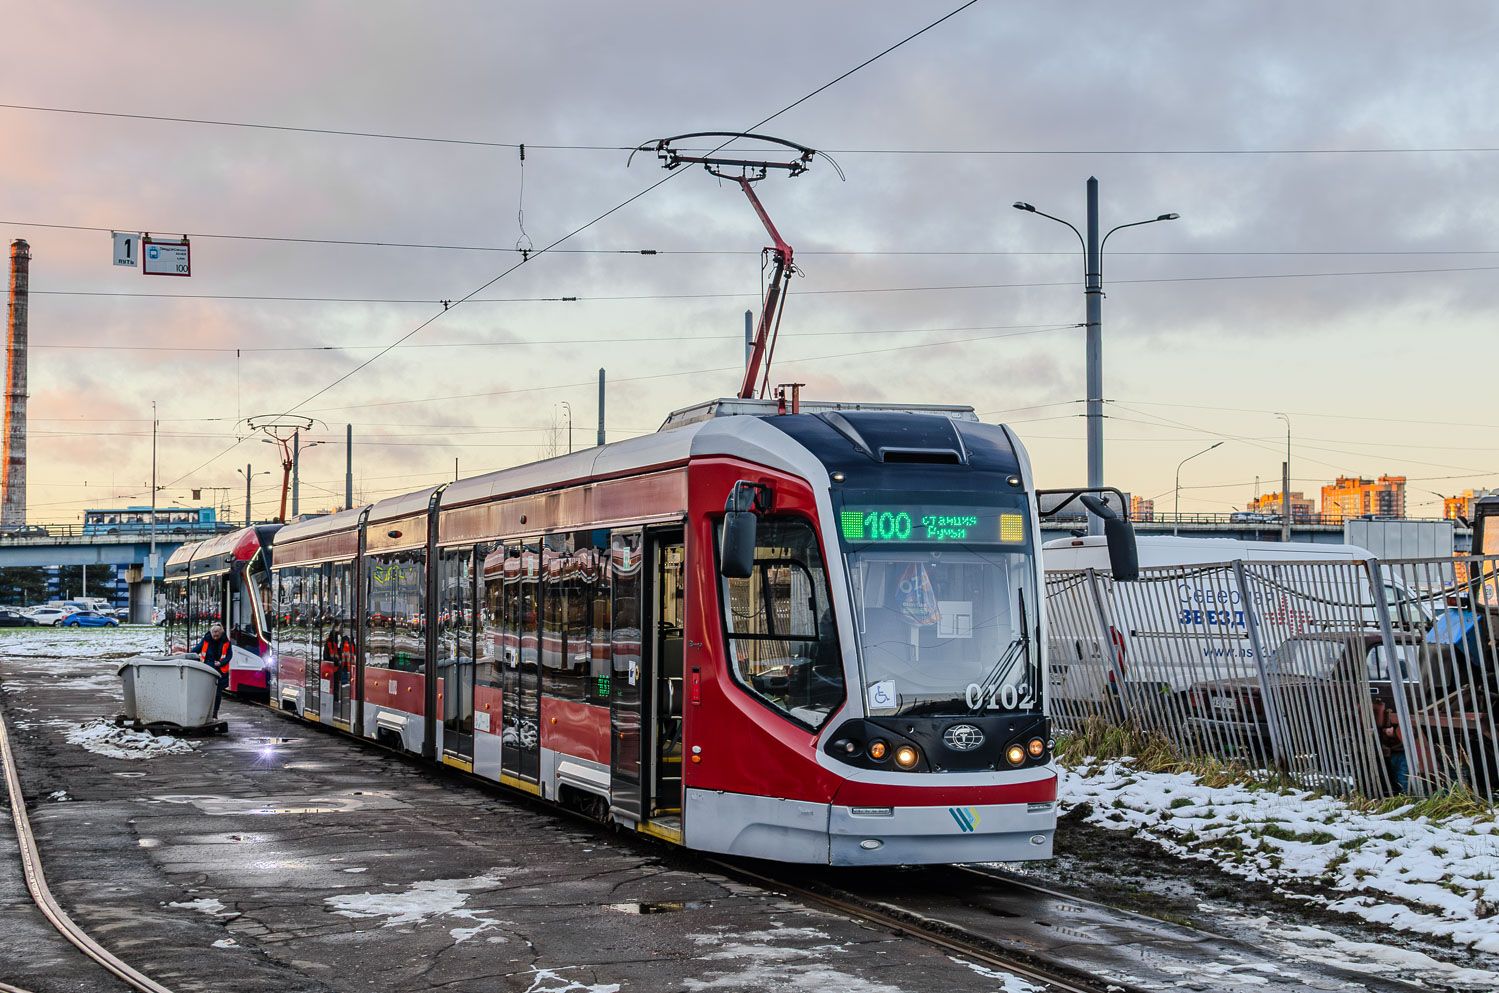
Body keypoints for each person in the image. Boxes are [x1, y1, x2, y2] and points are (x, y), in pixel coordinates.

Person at [194, 622, 233, 719]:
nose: (215, 637)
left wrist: (221, 663)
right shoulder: (206, 640)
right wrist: (189, 656)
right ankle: (206, 711)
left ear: (221, 633)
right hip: (207, 669)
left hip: (219, 671)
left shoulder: (226, 642)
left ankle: (215, 712)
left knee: (218, 694)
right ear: (211, 633)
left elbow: (229, 655)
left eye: (217, 635)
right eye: (214, 635)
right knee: (206, 692)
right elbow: (196, 649)